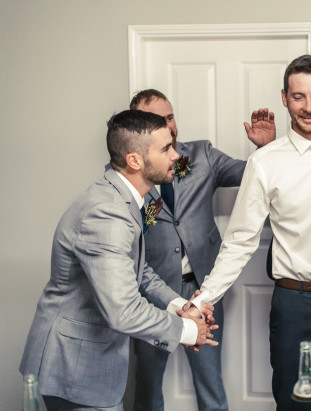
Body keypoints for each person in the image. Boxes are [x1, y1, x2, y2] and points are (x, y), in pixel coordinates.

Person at [187, 54, 311, 411]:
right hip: (297, 306)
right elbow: (240, 240)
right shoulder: (264, 162)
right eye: (299, 97)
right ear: (284, 98)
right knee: (297, 404)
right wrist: (205, 298)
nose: (309, 107)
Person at [19, 110, 217, 411]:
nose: (176, 156)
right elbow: (123, 311)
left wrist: (180, 306)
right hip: (74, 369)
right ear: (135, 160)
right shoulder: (107, 213)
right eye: (166, 148)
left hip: (91, 364)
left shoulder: (125, 199)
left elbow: (139, 270)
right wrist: (189, 331)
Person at [129, 89, 275, 411]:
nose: (168, 126)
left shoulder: (201, 155)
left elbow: (250, 175)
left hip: (202, 291)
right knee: (147, 387)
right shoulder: (129, 171)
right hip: (151, 295)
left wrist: (265, 149)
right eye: (157, 120)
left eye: (169, 117)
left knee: (210, 383)